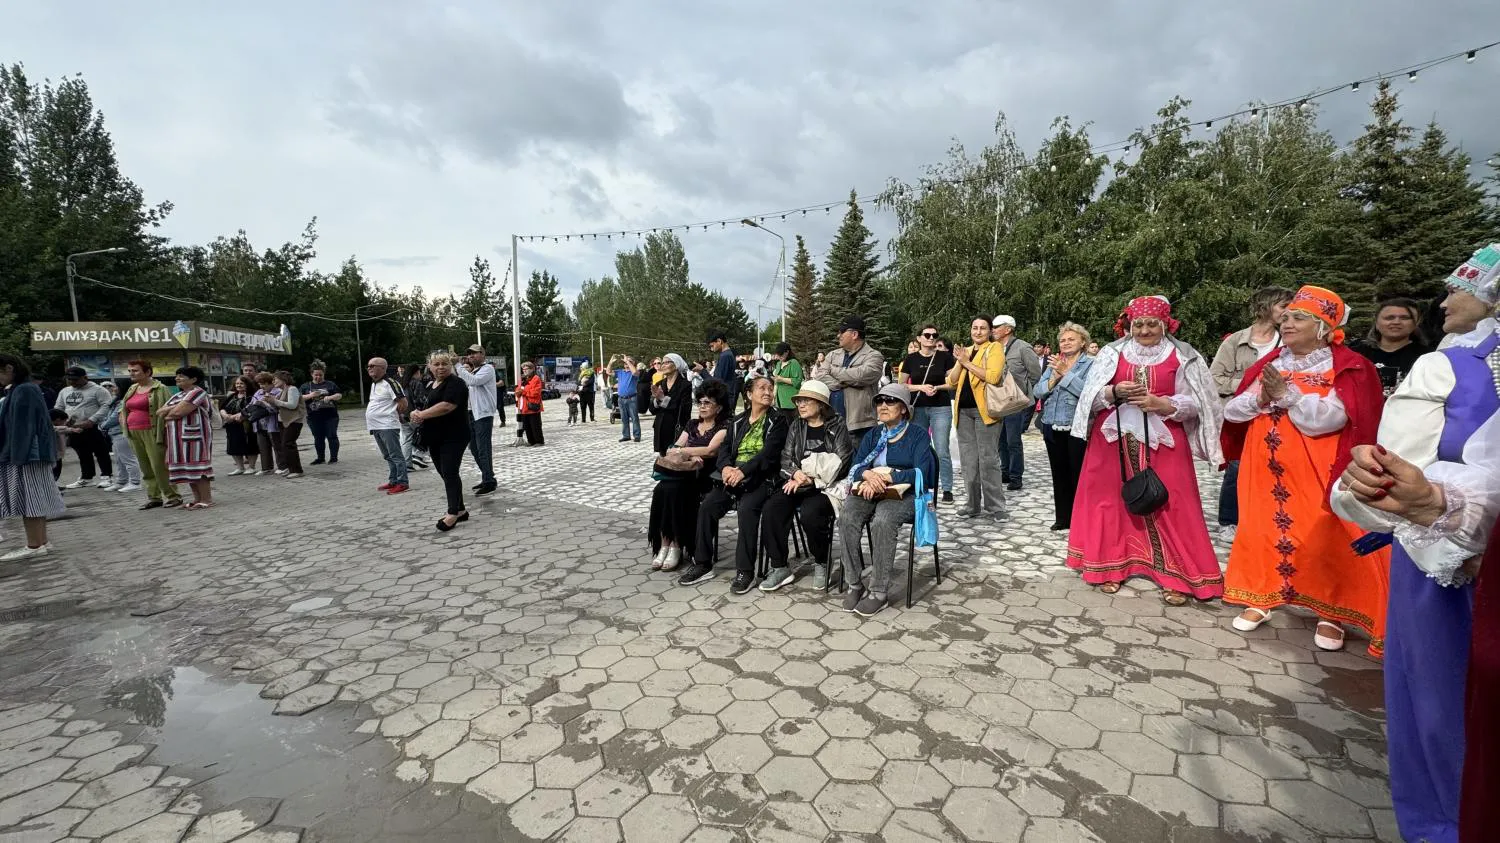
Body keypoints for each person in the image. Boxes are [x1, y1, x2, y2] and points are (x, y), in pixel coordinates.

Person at [1330, 243, 1500, 843]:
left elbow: (1385, 479)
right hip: (1456, 537)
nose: (1445, 300)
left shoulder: (1443, 366)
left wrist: (1364, 498)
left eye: (1460, 288)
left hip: (1440, 557)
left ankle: (1445, 825)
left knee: (1440, 702)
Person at [1221, 286, 1388, 654]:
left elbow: (1328, 421)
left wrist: (1285, 395)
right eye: (1287, 316)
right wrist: (1263, 397)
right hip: (1264, 466)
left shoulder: (1345, 366)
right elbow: (1233, 412)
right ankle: (1262, 595)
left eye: (1299, 318)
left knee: (1322, 532)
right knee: (1262, 527)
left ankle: (1330, 611)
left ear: (1324, 329)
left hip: (1318, 465)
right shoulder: (1272, 363)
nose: (1287, 322)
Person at [1066, 296, 1224, 605]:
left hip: (1164, 442)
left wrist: (1162, 404)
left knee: (1172, 504)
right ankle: (1109, 567)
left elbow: (1199, 402)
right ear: (1129, 324)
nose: (1145, 330)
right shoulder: (1112, 353)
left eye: (1152, 324)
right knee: (1108, 504)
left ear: (1166, 324)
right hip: (1112, 441)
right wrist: (1113, 392)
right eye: (1138, 324)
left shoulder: (1183, 355)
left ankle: (1175, 576)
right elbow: (1091, 397)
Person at [676, 376, 788, 593]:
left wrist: (742, 471)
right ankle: (702, 563)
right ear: (748, 394)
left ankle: (745, 571)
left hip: (761, 478)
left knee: (747, 509)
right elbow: (724, 450)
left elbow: (769, 454)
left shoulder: (778, 420)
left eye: (770, 388)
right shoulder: (737, 421)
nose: (768, 392)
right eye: (762, 388)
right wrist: (727, 467)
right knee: (708, 506)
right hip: (732, 477)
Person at [839, 384, 936, 617]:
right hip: (873, 488)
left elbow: (923, 472)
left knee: (883, 519)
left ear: (904, 409)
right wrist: (869, 475)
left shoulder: (918, 434)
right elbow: (858, 464)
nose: (882, 405)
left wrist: (890, 476)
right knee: (847, 515)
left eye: (890, 401)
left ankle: (879, 592)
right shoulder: (874, 434)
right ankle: (854, 583)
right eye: (879, 401)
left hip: (906, 493)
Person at [1210, 287, 1294, 543]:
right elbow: (1214, 377)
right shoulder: (1236, 341)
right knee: (1235, 468)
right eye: (1283, 307)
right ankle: (1229, 520)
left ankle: (1264, 517)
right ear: (1267, 307)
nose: (1288, 313)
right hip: (1241, 416)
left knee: (1273, 467)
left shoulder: (1288, 341)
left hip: (1277, 416)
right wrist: (1250, 385)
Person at [760, 380, 852, 591]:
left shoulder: (837, 426)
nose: (800, 404)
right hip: (796, 483)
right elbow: (785, 458)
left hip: (825, 487)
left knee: (811, 514)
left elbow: (842, 461)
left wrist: (811, 478)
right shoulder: (797, 425)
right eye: (799, 400)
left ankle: (821, 561)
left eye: (806, 400)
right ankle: (780, 566)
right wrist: (796, 473)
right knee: (772, 508)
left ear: (821, 404)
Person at [648, 379, 731, 573]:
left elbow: (711, 451)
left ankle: (678, 544)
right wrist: (690, 453)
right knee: (662, 488)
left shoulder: (724, 427)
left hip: (706, 476)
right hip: (685, 472)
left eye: (707, 402)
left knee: (676, 490)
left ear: (718, 407)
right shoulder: (692, 424)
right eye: (700, 402)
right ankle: (665, 542)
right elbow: (676, 447)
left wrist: (686, 451)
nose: (702, 406)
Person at [0, 354, 67, 561]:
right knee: (33, 497)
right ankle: (41, 542)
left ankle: (34, 544)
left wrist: (15, 454)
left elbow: (22, 427)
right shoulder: (22, 389)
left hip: (26, 454)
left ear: (9, 368)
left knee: (30, 499)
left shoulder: (24, 390)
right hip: (28, 453)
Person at [1033, 322, 1095, 531]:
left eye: (1071, 339)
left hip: (1076, 425)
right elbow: (1037, 391)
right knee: (1058, 473)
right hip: (1051, 423)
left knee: (1078, 473)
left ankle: (1081, 519)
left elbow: (1088, 393)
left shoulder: (1090, 364)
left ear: (1083, 342)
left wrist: (1066, 374)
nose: (1066, 343)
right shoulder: (1055, 363)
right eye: (1063, 340)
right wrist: (1052, 381)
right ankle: (1063, 517)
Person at [947, 316, 1008, 520]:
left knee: (988, 459)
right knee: (968, 461)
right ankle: (972, 504)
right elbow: (952, 381)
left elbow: (993, 376)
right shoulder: (967, 350)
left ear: (990, 331)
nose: (978, 331)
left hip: (985, 412)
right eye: (975, 328)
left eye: (983, 328)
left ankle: (996, 507)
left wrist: (967, 363)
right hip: (963, 412)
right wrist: (960, 361)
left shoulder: (994, 348)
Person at [410, 351, 471, 531]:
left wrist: (421, 414)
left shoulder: (457, 383)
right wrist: (415, 413)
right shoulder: (430, 384)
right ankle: (460, 510)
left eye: (444, 363)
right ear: (429, 366)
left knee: (450, 472)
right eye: (436, 364)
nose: (440, 367)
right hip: (435, 436)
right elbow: (425, 405)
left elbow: (447, 406)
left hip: (454, 436)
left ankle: (452, 513)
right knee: (445, 473)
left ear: (450, 365)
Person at [901, 325, 955, 503]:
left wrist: (937, 387)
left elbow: (953, 383)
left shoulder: (945, 357)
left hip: (941, 406)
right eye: (927, 335)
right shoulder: (911, 359)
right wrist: (920, 388)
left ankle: (947, 488)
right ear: (919, 338)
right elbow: (902, 385)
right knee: (920, 447)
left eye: (934, 335)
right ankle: (920, 484)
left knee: (941, 449)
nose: (931, 338)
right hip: (918, 407)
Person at [812, 316, 886, 442]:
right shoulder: (833, 355)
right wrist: (844, 382)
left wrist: (833, 370)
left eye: (842, 332)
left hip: (861, 426)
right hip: (832, 422)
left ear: (854, 334)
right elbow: (820, 376)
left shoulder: (874, 356)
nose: (838, 335)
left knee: (859, 461)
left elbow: (861, 376)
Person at [120, 360, 182, 510]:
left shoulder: (160, 388)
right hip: (134, 431)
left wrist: (167, 432)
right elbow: (124, 407)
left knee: (159, 466)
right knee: (145, 467)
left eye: (135, 371)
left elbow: (169, 409)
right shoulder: (133, 388)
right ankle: (154, 497)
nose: (131, 374)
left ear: (147, 372)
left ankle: (173, 496)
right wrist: (124, 423)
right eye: (129, 371)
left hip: (153, 431)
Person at [991, 315, 1041, 491]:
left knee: (1013, 441)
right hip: (998, 401)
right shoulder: (993, 348)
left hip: (1016, 402)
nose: (993, 329)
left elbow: (1035, 374)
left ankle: (1016, 476)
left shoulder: (1022, 347)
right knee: (1001, 440)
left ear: (1008, 329)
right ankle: (1004, 471)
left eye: (997, 326)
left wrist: (1024, 393)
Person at [159, 366, 216, 509]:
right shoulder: (178, 395)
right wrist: (174, 409)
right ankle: (197, 499)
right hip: (176, 439)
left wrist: (171, 412)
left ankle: (206, 499)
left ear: (194, 379)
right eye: (177, 375)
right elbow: (160, 412)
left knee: (199, 467)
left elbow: (177, 413)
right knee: (189, 469)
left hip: (196, 437)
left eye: (182, 376)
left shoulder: (197, 392)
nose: (177, 378)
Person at [1350, 298, 1431, 397]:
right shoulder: (1355, 353)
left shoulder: (1427, 357)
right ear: (1376, 322)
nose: (1396, 322)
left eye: (1404, 318)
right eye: (1389, 318)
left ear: (1416, 323)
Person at [53, 367, 114, 489]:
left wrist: (93, 420)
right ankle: (87, 477)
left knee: (101, 452)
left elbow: (106, 405)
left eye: (75, 379)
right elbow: (58, 407)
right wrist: (60, 421)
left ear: (85, 377)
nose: (72, 382)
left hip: (92, 426)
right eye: (69, 379)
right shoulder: (65, 391)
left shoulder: (98, 390)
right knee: (82, 453)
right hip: (72, 428)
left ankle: (107, 477)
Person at [456, 345, 498, 495]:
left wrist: (458, 366)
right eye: (469, 354)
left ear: (483, 354)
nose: (471, 356)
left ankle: (489, 481)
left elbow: (474, 382)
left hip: (483, 414)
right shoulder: (473, 371)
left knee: (483, 449)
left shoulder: (487, 369)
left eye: (474, 353)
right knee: (474, 448)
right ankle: (488, 477)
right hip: (472, 413)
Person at [365, 358, 409, 495]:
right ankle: (393, 480)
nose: (369, 368)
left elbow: (403, 402)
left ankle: (402, 482)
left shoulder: (390, 383)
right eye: (368, 366)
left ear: (383, 368)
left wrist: (398, 415)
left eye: (373, 366)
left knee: (395, 455)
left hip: (387, 425)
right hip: (376, 426)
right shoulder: (374, 384)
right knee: (387, 455)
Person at [99, 382, 141, 492]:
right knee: (119, 459)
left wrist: (102, 425)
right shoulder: (116, 401)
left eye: (115, 386)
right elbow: (107, 415)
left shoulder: (123, 402)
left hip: (121, 433)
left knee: (128, 459)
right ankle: (122, 481)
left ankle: (135, 482)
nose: (113, 388)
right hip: (114, 433)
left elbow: (114, 418)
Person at [300, 363, 343, 465]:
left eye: (320, 375)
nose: (318, 377)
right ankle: (320, 458)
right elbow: (299, 398)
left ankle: (333, 458)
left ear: (324, 374)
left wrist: (331, 397)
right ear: (311, 374)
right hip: (313, 416)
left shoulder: (330, 384)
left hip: (330, 415)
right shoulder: (306, 386)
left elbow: (339, 395)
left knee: (331, 436)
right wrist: (310, 395)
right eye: (316, 375)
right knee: (318, 437)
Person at [217, 376, 260, 477]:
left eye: (241, 383)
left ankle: (251, 467)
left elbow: (253, 409)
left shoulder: (252, 396)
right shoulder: (232, 396)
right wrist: (225, 415)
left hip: (246, 424)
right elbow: (222, 407)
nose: (238, 385)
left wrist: (238, 416)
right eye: (237, 384)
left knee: (250, 444)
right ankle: (240, 468)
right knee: (233, 444)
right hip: (232, 425)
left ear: (247, 384)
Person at [267, 370, 305, 478]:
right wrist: (268, 402)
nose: (273, 381)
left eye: (275, 379)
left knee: (288, 444)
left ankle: (297, 470)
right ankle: (290, 468)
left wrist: (275, 401)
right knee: (284, 445)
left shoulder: (292, 389)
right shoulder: (281, 391)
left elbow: (292, 405)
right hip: (284, 421)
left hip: (294, 421)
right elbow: (279, 406)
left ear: (283, 379)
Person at [250, 372, 284, 476]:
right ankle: (266, 467)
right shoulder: (258, 392)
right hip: (260, 424)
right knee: (263, 446)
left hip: (272, 423)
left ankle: (283, 466)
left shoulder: (278, 392)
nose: (261, 386)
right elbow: (251, 404)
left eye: (264, 383)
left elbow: (278, 408)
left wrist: (266, 404)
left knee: (277, 445)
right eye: (260, 384)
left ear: (271, 383)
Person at [402, 364, 430, 471]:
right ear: (416, 372)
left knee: (406, 440)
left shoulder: (403, 384)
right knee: (423, 435)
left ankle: (407, 463)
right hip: (415, 415)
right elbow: (420, 400)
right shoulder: (416, 383)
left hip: (404, 415)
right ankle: (418, 455)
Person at [769, 342, 805, 425]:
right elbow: (776, 382)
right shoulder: (778, 364)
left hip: (790, 401)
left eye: (781, 355)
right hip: (779, 401)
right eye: (778, 355)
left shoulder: (794, 363)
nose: (779, 357)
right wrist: (773, 396)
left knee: (792, 425)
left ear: (787, 352)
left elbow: (797, 382)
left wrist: (782, 379)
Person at [515, 361, 545, 446]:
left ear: (532, 369)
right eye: (523, 369)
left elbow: (535, 392)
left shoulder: (536, 378)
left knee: (535, 425)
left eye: (526, 368)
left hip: (533, 406)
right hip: (524, 407)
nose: (524, 370)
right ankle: (531, 441)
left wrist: (523, 392)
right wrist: (518, 392)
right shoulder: (522, 379)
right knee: (527, 425)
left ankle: (539, 441)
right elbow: (518, 390)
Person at [615, 355, 642, 443]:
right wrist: (611, 362)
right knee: (624, 418)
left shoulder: (635, 372)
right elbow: (608, 372)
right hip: (621, 399)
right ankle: (626, 435)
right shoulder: (620, 372)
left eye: (630, 361)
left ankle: (637, 435)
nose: (626, 363)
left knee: (634, 417)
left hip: (632, 398)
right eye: (625, 362)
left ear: (633, 363)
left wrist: (628, 361)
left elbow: (634, 372)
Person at [577, 358, 596, 423]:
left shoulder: (591, 373)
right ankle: (583, 419)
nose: (582, 367)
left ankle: (592, 418)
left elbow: (591, 381)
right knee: (582, 407)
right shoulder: (581, 374)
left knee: (591, 406)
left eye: (583, 366)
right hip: (582, 393)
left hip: (589, 392)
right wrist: (578, 390)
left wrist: (584, 384)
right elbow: (578, 382)